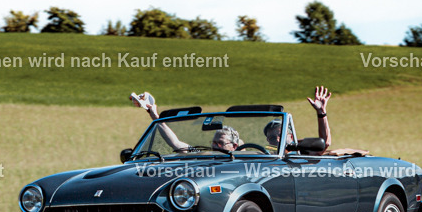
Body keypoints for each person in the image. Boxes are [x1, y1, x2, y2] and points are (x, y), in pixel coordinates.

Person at [132, 86, 332, 153]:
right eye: (214, 142)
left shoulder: (260, 154)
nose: (274, 141)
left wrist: (321, 113)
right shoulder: (209, 155)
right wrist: (154, 115)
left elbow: (323, 145)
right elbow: (176, 144)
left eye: (277, 136)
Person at [131, 91, 241, 153]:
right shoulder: (204, 155)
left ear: (234, 146)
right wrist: (156, 118)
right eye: (214, 142)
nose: (215, 146)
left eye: (220, 143)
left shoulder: (241, 161)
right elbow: (176, 143)